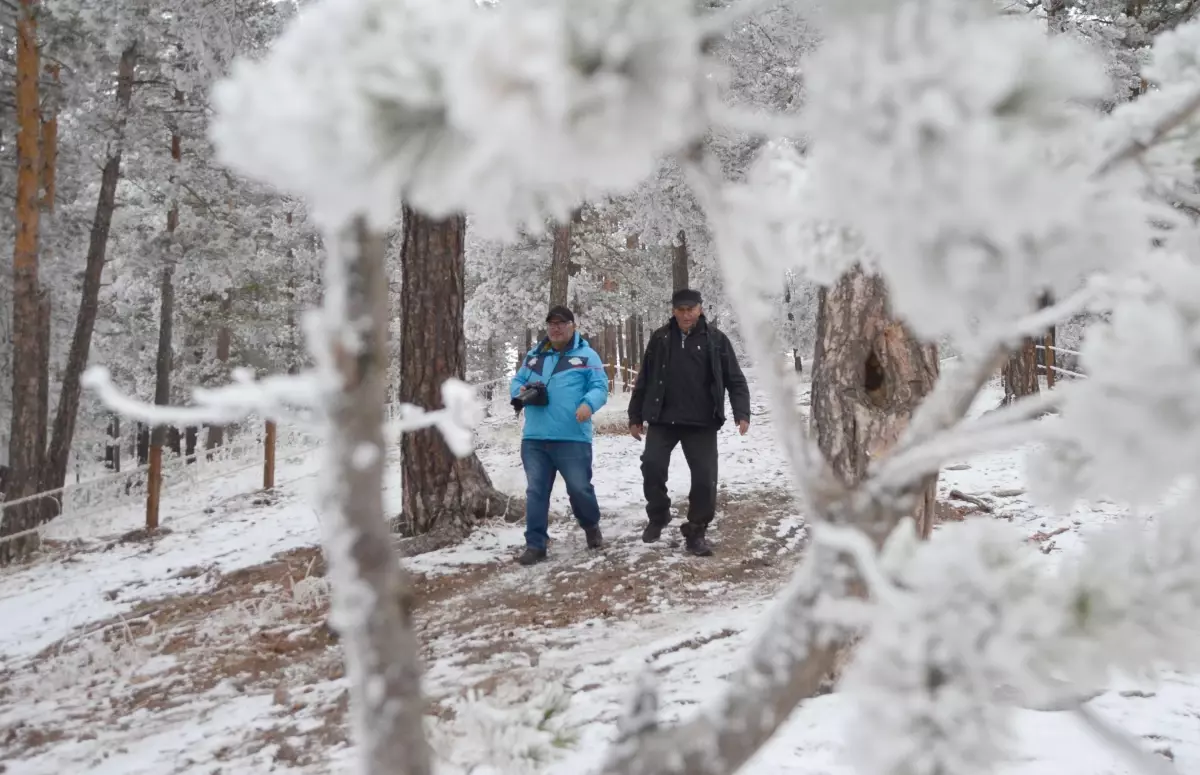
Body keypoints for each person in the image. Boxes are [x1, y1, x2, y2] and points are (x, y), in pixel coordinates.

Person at [628, 289, 751, 557]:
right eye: (681, 309)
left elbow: (735, 379)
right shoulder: (660, 338)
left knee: (705, 478)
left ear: (700, 309)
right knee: (651, 464)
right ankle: (659, 514)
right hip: (663, 419)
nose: (686, 314)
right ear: (673, 310)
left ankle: (696, 530)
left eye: (691, 309)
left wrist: (742, 412)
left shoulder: (716, 340)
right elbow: (645, 379)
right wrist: (635, 415)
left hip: (701, 421)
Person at [510, 305, 610, 566]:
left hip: (572, 437)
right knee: (536, 491)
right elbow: (517, 382)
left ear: (572, 326)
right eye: (551, 324)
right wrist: (520, 392)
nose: (556, 328)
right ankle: (535, 544)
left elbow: (600, 386)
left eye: (561, 323)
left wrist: (588, 405)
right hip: (534, 438)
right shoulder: (533, 357)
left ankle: (590, 525)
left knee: (579, 488)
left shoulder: (587, 356)